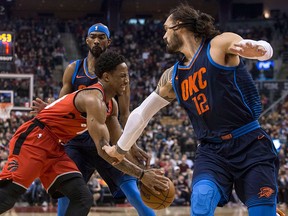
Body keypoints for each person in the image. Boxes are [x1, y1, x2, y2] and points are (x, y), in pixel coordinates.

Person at [102, 4, 285, 216]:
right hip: (211, 151)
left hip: (250, 143)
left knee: (262, 212)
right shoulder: (174, 76)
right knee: (201, 201)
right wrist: (120, 149)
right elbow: (143, 112)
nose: (163, 36)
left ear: (179, 26)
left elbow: (256, 47)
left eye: (166, 29)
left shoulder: (218, 45)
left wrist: (261, 50)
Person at [0, 51, 169, 215]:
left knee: (82, 198)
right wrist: (141, 175)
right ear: (107, 77)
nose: (127, 80)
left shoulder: (111, 106)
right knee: (8, 196)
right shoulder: (93, 100)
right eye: (122, 75)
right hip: (35, 139)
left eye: (127, 75)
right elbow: (105, 152)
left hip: (56, 147)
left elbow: (120, 145)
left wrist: (143, 167)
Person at [32, 23, 156, 216]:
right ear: (87, 40)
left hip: (106, 136)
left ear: (108, 41)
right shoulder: (73, 69)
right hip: (78, 141)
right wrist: (47, 109)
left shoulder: (119, 73)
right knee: (67, 189)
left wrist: (131, 144)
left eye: (101, 37)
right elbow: (61, 103)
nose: (97, 40)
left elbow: (125, 114)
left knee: (131, 187)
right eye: (93, 36)